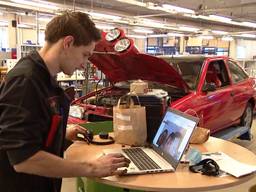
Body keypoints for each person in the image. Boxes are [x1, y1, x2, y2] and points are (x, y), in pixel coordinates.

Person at [0, 11, 130, 192]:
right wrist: (92, 168)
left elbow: (34, 126)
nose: (85, 63)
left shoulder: (44, 77)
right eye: (85, 54)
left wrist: (61, 133)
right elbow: (24, 159)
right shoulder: (26, 80)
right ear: (68, 43)